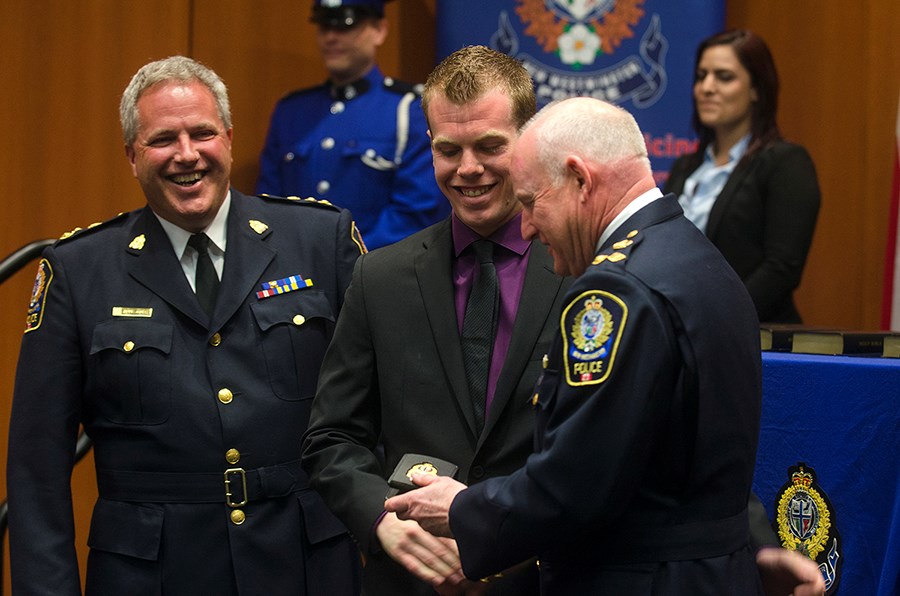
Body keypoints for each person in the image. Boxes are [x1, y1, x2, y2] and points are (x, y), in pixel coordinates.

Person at [7, 56, 364, 595]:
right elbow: (37, 470)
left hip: (305, 566)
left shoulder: (319, 241)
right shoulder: (78, 272)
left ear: (229, 139)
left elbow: (383, 404)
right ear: (131, 155)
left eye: (202, 133)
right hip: (150, 577)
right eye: (162, 139)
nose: (187, 155)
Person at [385, 97, 767, 594]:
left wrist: (459, 508)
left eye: (529, 202)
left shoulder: (616, 291)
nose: (525, 228)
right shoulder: (695, 255)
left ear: (580, 180)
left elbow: (577, 483)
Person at [301, 46, 569, 595]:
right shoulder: (379, 278)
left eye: (490, 146)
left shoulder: (583, 274)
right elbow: (332, 437)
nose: (468, 168)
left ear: (529, 140)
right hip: (413, 575)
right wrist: (381, 520)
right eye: (449, 150)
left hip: (546, 578)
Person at [256, 0, 448, 249]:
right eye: (324, 26)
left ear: (379, 30)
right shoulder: (291, 111)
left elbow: (416, 213)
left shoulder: (409, 110)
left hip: (376, 273)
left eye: (346, 26)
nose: (331, 37)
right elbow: (267, 206)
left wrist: (348, 261)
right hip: (296, 274)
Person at [663, 29, 820, 324]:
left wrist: (717, 321)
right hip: (681, 330)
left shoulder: (785, 163)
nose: (707, 87)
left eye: (724, 77)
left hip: (751, 337)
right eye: (701, 75)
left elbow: (781, 268)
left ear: (756, 89)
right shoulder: (685, 166)